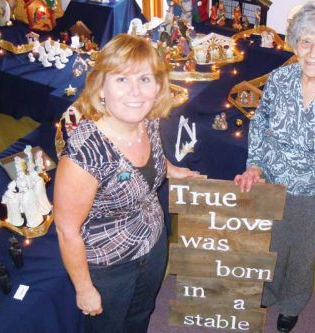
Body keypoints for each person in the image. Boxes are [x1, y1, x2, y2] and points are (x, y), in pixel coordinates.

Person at [234, 1, 315, 332]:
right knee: (271, 247)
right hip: (273, 185)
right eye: (306, 41)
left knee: (301, 259)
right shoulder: (279, 79)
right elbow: (260, 124)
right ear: (295, 43)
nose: (312, 52)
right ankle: (266, 292)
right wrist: (255, 166)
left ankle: (291, 306)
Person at [53, 34, 198, 333]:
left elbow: (152, 158)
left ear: (158, 86)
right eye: (121, 79)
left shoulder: (148, 120)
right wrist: (84, 288)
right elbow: (67, 230)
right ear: (101, 87)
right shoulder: (85, 153)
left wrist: (171, 170)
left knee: (141, 315)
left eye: (145, 79)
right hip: (109, 264)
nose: (136, 91)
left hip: (153, 241)